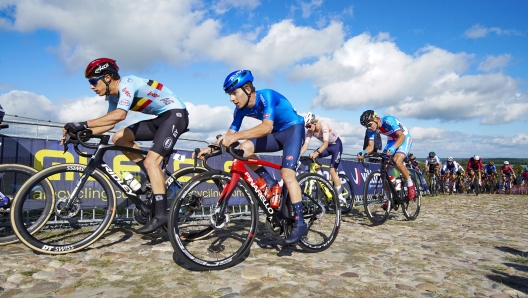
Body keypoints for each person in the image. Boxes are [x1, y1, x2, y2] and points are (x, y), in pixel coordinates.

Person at [61, 58, 189, 234]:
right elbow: (109, 124)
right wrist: (81, 133)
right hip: (160, 118)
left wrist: (82, 124)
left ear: (107, 77)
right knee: (118, 137)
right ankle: (151, 174)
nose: (91, 86)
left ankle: (161, 214)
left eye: (93, 81)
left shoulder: (126, 84)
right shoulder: (114, 97)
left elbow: (120, 115)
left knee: (152, 162)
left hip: (175, 115)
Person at [195, 70, 307, 245]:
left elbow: (266, 127)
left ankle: (300, 223)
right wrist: (210, 148)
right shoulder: (239, 110)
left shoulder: (266, 96)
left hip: (293, 129)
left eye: (234, 93)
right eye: (229, 94)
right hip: (278, 134)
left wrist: (236, 136)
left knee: (287, 174)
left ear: (247, 88)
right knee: (244, 148)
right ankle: (269, 181)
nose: (232, 99)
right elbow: (230, 134)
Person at [357, 110, 416, 201]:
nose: (368, 127)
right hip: (392, 140)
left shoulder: (388, 120)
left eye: (369, 124)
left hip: (404, 137)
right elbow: (370, 146)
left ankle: (410, 184)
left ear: (375, 119)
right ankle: (390, 199)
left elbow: (401, 137)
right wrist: (363, 153)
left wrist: (393, 148)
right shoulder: (370, 130)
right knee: (383, 167)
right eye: (365, 126)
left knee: (397, 160)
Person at [300, 112, 345, 207]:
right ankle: (325, 181)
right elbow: (305, 146)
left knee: (332, 171)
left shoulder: (323, 125)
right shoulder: (310, 131)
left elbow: (325, 144)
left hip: (336, 145)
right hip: (328, 146)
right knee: (313, 160)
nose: (308, 128)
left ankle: (340, 197)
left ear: (314, 122)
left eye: (309, 125)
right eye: (306, 127)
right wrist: (297, 155)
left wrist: (316, 153)